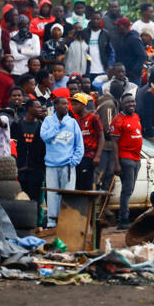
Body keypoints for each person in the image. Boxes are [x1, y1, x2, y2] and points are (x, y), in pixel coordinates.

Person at [40, 90, 84, 228]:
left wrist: (74, 161)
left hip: (68, 165)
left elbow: (79, 144)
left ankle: (66, 223)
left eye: (67, 104)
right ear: (56, 106)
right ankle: (52, 223)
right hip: (51, 165)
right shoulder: (48, 120)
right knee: (52, 195)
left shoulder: (72, 122)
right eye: (63, 104)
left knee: (68, 194)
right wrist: (57, 126)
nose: (66, 106)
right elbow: (44, 137)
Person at [110, 94, 143, 229]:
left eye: (133, 101)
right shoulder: (117, 120)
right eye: (128, 102)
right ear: (121, 103)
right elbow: (114, 144)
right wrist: (116, 164)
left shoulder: (136, 116)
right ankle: (123, 220)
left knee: (130, 189)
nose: (131, 104)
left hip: (137, 158)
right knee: (127, 190)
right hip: (125, 158)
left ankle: (124, 217)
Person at [13, 99, 47, 226]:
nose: (40, 110)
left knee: (36, 199)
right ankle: (23, 223)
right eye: (37, 107)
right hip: (21, 168)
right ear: (29, 109)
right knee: (22, 197)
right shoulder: (17, 125)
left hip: (36, 169)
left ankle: (35, 224)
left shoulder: (42, 126)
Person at [71, 93, 103, 190]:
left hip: (89, 156)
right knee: (78, 183)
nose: (73, 107)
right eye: (72, 104)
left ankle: (88, 205)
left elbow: (101, 137)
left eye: (75, 104)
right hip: (78, 156)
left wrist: (97, 156)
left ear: (83, 105)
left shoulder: (93, 118)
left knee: (87, 184)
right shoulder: (76, 120)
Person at [94, 93, 119, 190]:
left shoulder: (107, 103)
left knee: (106, 176)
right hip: (106, 147)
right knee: (102, 176)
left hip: (108, 146)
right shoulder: (109, 105)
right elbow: (107, 128)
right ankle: (98, 203)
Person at [113, 17, 146, 83]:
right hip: (123, 75)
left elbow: (142, 56)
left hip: (132, 77)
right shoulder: (122, 39)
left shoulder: (134, 39)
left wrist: (134, 71)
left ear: (124, 26)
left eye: (119, 26)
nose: (117, 28)